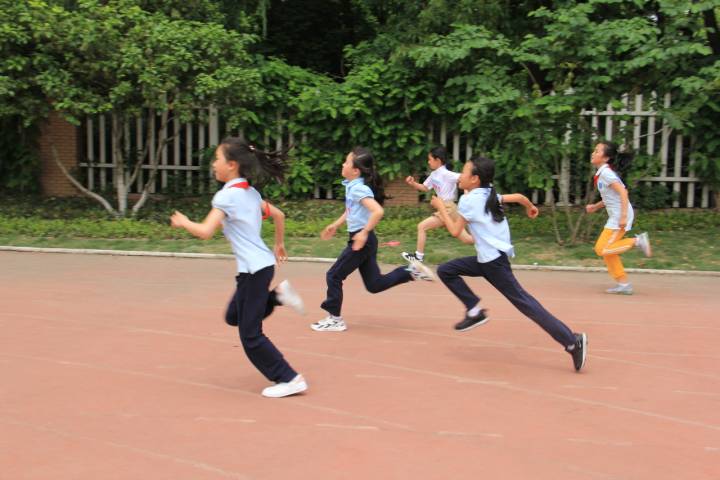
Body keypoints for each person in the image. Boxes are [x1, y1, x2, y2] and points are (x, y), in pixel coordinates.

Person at [170, 137, 307, 398]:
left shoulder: (227, 197)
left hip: (255, 271)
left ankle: (290, 378)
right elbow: (279, 215)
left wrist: (185, 221)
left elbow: (205, 231)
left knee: (250, 335)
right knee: (233, 316)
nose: (213, 164)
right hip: (257, 268)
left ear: (231, 165)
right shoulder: (249, 192)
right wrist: (279, 244)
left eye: (216, 159)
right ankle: (277, 296)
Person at [432, 155, 588, 372]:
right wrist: (530, 206)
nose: (460, 176)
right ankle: (474, 311)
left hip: (494, 264)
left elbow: (455, 231)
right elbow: (519, 197)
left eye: (464, 172)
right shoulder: (489, 192)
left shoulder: (469, 201)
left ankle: (572, 341)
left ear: (475, 179)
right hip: (488, 260)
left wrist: (440, 207)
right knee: (446, 270)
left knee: (526, 304)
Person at [311, 146, 435, 332]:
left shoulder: (358, 188)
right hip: (366, 240)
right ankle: (410, 271)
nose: (342, 164)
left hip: (362, 241)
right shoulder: (353, 186)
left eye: (346, 162)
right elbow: (351, 210)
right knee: (374, 284)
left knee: (334, 275)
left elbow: (378, 211)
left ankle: (335, 319)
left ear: (355, 170)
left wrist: (363, 233)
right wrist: (336, 224)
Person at [585, 141, 652, 295]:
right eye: (594, 150)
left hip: (620, 216)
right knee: (607, 251)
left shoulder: (607, 174)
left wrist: (622, 217)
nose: (593, 153)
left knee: (602, 249)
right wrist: (595, 206)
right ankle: (623, 284)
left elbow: (623, 192)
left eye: (597, 151)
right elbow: (611, 197)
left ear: (606, 158)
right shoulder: (602, 174)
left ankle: (637, 241)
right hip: (616, 216)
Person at [402, 145, 473, 262]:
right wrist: (413, 183)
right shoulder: (434, 175)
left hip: (448, 208)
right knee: (467, 239)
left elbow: (465, 178)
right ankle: (488, 241)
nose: (428, 162)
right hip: (447, 208)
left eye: (430, 159)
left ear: (438, 160)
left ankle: (418, 257)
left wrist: (467, 194)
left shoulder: (446, 174)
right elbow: (425, 187)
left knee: (422, 227)